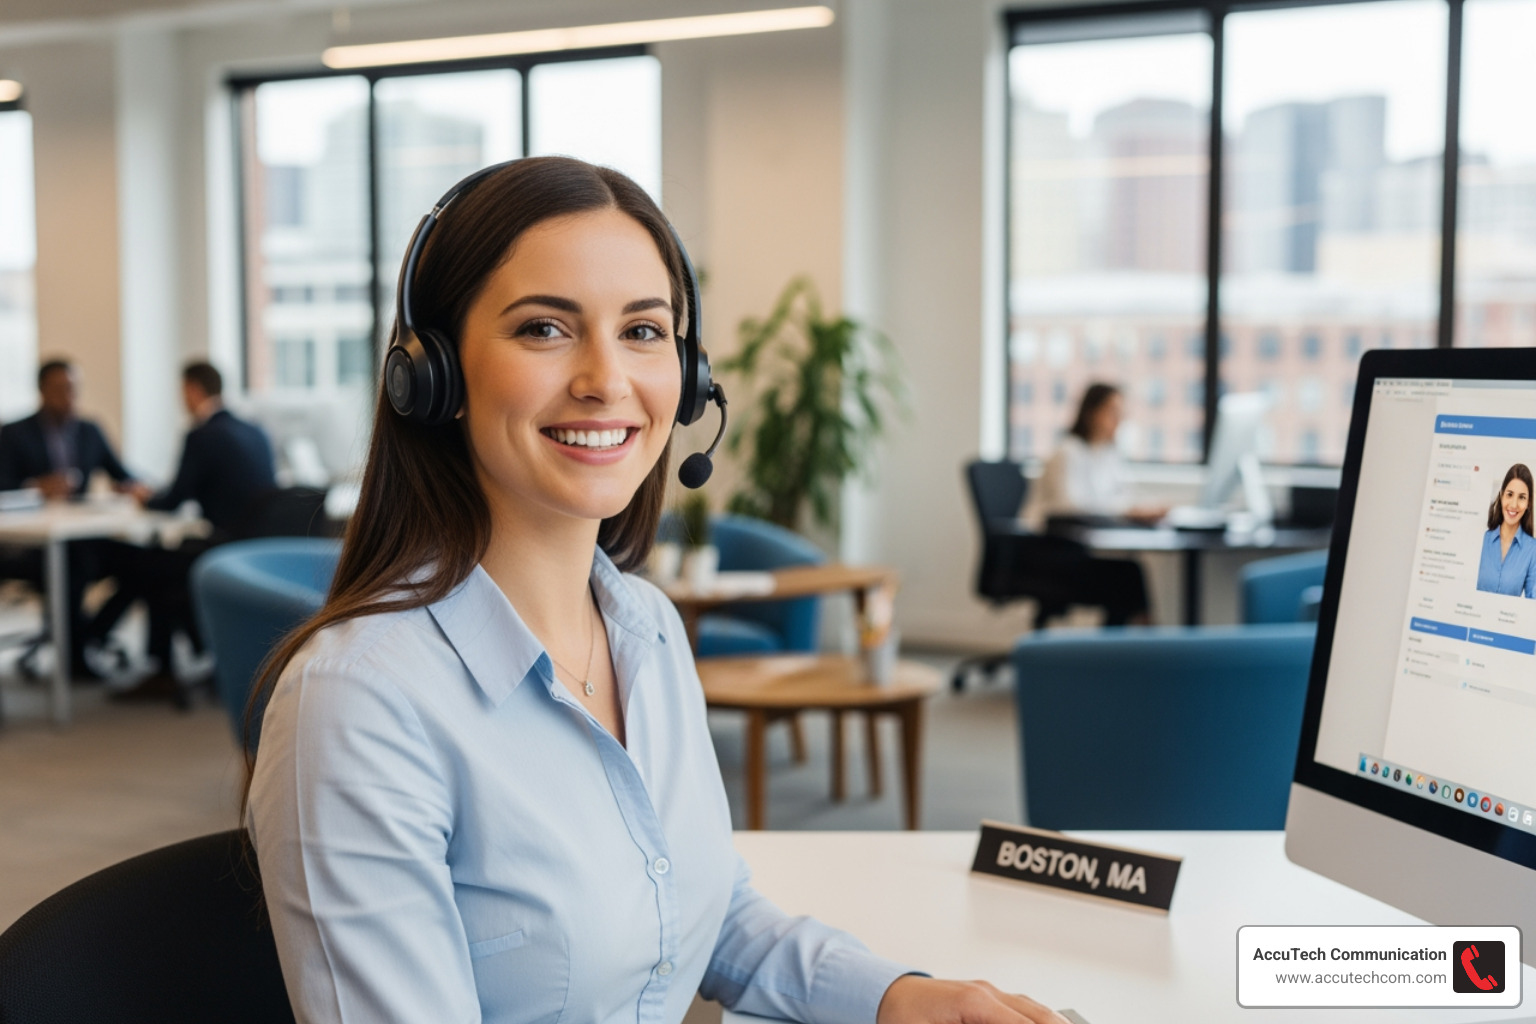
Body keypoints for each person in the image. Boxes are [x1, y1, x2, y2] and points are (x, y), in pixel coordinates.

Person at [245, 158, 1069, 1024]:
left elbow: (704, 919)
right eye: (543, 329)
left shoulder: (646, 626)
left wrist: (898, 996)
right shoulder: (359, 703)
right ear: (434, 375)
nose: (607, 378)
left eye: (643, 331)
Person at [95, 361, 278, 703]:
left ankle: (162, 670)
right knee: (155, 562)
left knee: (147, 567)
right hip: (254, 550)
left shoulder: (201, 434)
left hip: (221, 550)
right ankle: (190, 647)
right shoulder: (254, 430)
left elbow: (173, 501)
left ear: (193, 390)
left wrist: (142, 496)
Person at [0, 359, 141, 677]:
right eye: (61, 389)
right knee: (73, 567)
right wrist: (35, 487)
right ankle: (75, 658)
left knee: (146, 564)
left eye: (74, 389)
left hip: (83, 537)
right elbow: (3, 486)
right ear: (42, 391)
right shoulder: (13, 433)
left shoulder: (89, 429)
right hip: (33, 544)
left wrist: (141, 489)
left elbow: (122, 475)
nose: (69, 397)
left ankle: (87, 636)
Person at [1019, 382, 1154, 626]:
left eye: (1122, 413)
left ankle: (1116, 652)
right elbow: (1069, 505)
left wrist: (1143, 510)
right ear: (1091, 413)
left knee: (1129, 573)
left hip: (1079, 549)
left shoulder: (1108, 453)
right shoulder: (1067, 452)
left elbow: (1124, 494)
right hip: (1049, 555)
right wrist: (1125, 510)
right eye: (1113, 412)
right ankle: (1119, 651)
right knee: (1126, 577)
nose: (1119, 419)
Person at [1476, 463, 1536, 597]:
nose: (1514, 505)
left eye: (1522, 497)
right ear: (1502, 495)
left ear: (1528, 503)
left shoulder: (1532, 550)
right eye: (1509, 494)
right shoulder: (1482, 538)